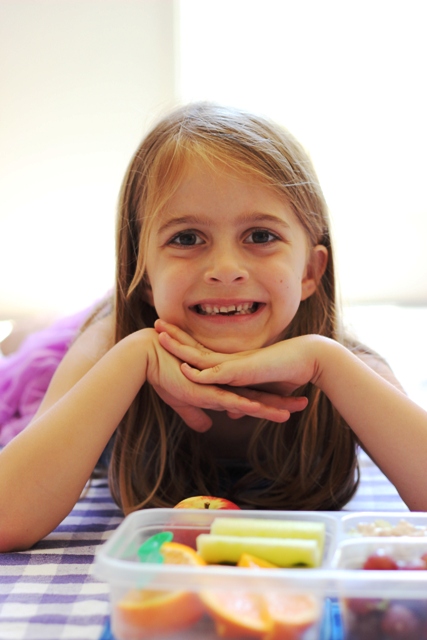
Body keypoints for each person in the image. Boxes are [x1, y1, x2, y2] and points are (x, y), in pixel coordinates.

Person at [0, 102, 425, 553]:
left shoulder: (346, 363)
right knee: (29, 352)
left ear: (309, 272)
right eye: (186, 238)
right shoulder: (112, 345)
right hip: (94, 339)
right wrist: (136, 355)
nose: (226, 269)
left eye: (260, 236)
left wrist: (326, 361)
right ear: (143, 275)